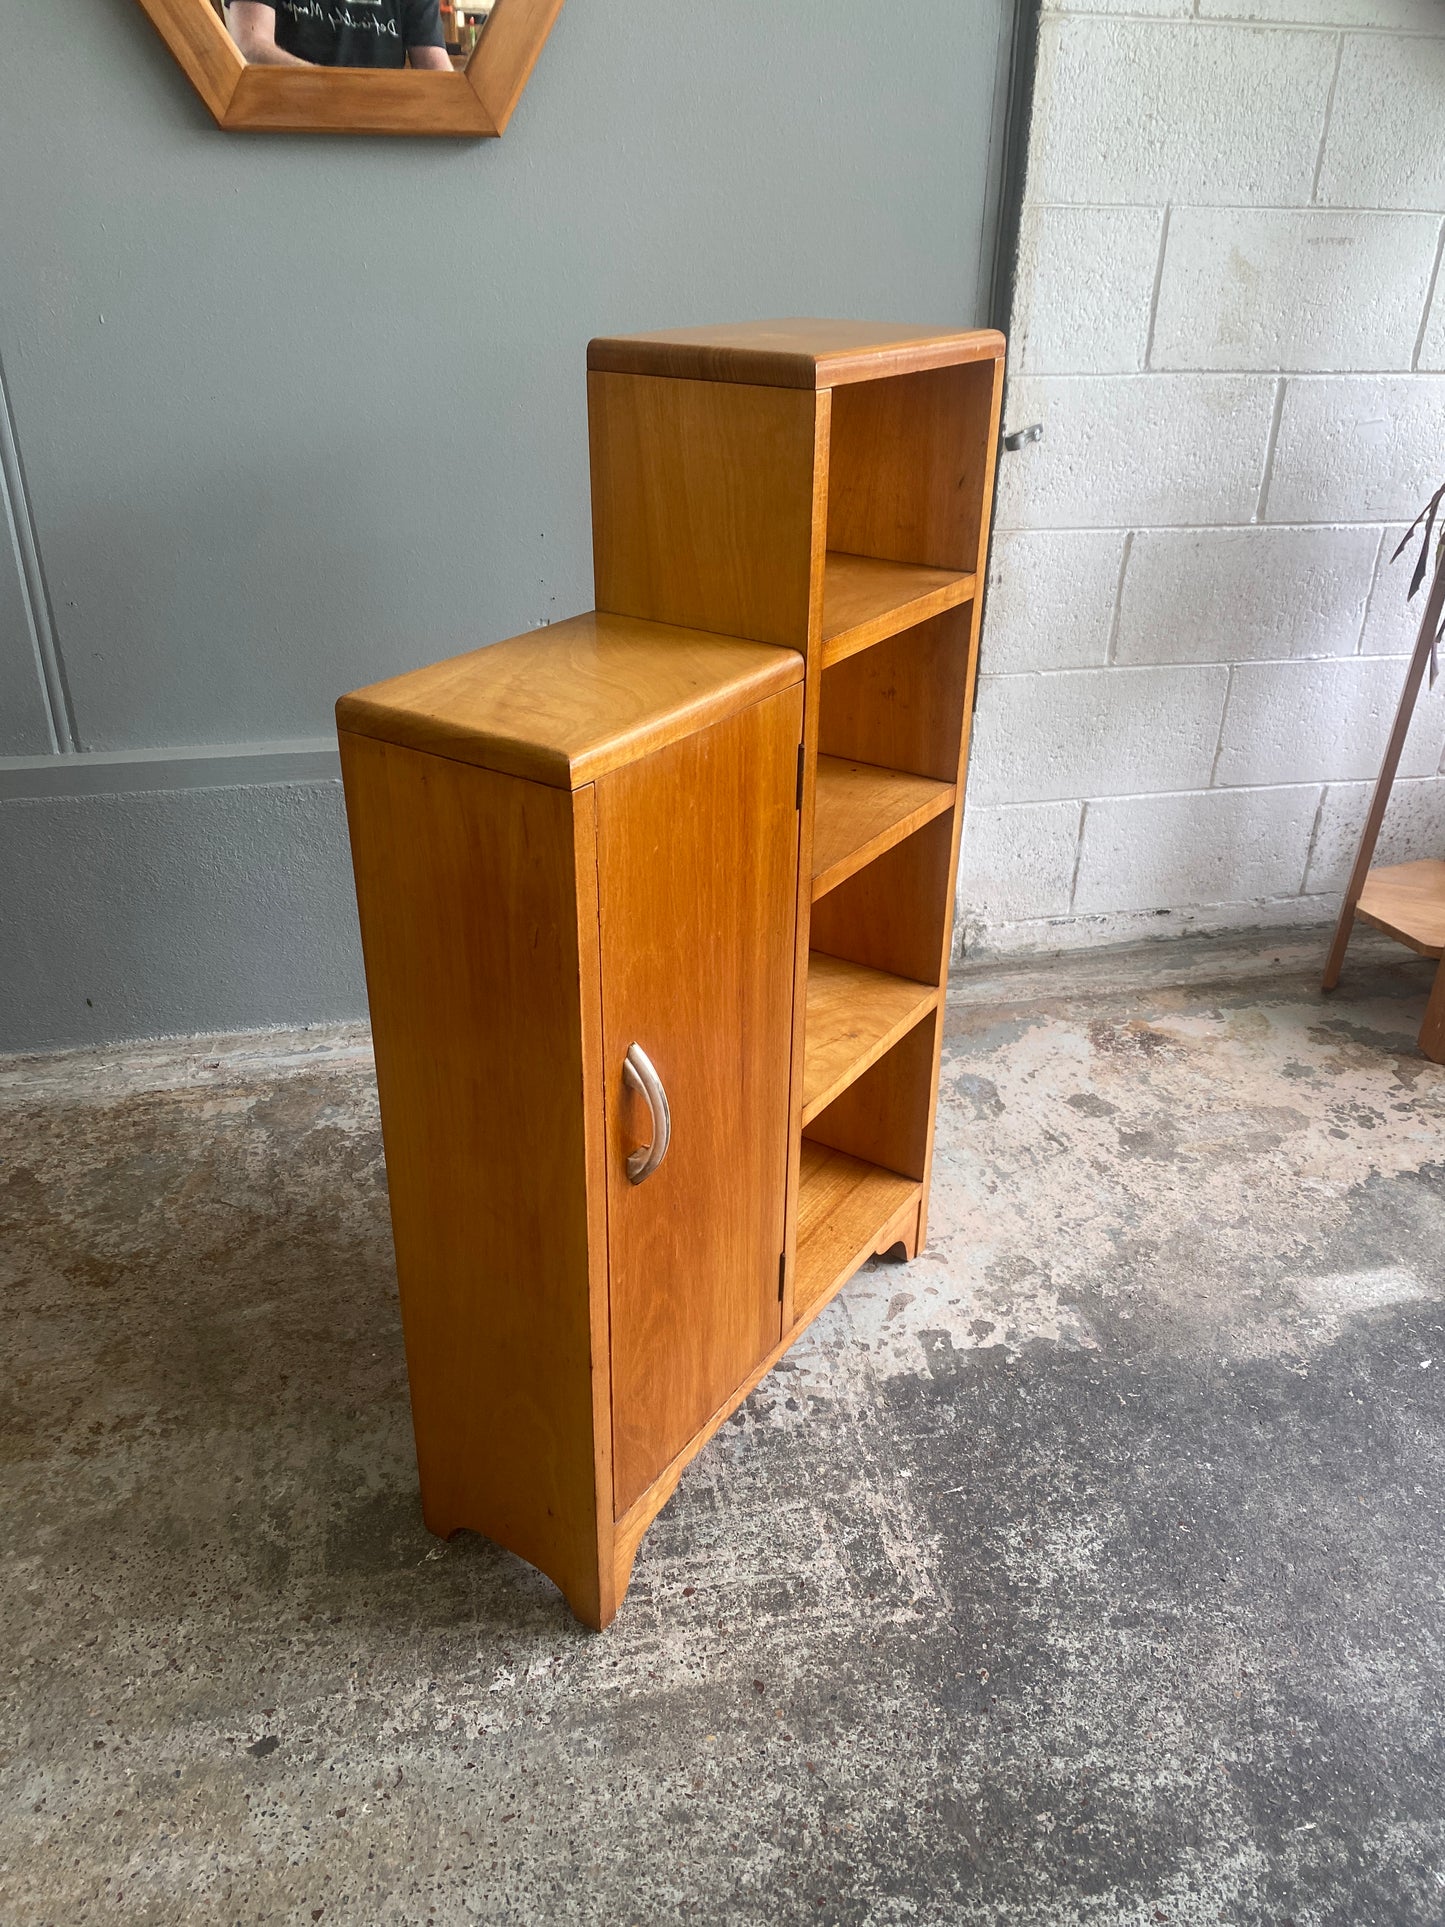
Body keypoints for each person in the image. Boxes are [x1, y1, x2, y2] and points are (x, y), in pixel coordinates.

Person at [225, 0, 453, 69]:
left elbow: (437, 74)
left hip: (382, 135)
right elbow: (250, 45)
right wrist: (328, 89)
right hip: (285, 126)